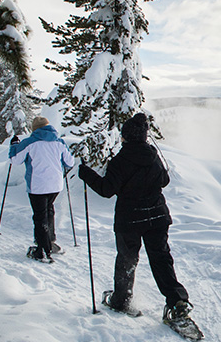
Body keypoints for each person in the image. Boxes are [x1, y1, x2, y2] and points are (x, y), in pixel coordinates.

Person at [77, 113, 193, 323]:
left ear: (126, 137)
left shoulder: (119, 161)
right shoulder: (153, 155)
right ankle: (177, 301)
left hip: (129, 219)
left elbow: (106, 190)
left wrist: (86, 174)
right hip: (157, 217)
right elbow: (165, 180)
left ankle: (121, 300)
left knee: (127, 259)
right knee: (161, 259)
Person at [10, 117, 75, 262]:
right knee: (49, 210)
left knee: (40, 216)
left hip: (37, 185)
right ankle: (50, 241)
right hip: (56, 185)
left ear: (35, 129)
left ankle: (43, 251)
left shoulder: (30, 142)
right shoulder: (59, 142)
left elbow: (15, 160)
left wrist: (14, 146)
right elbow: (70, 162)